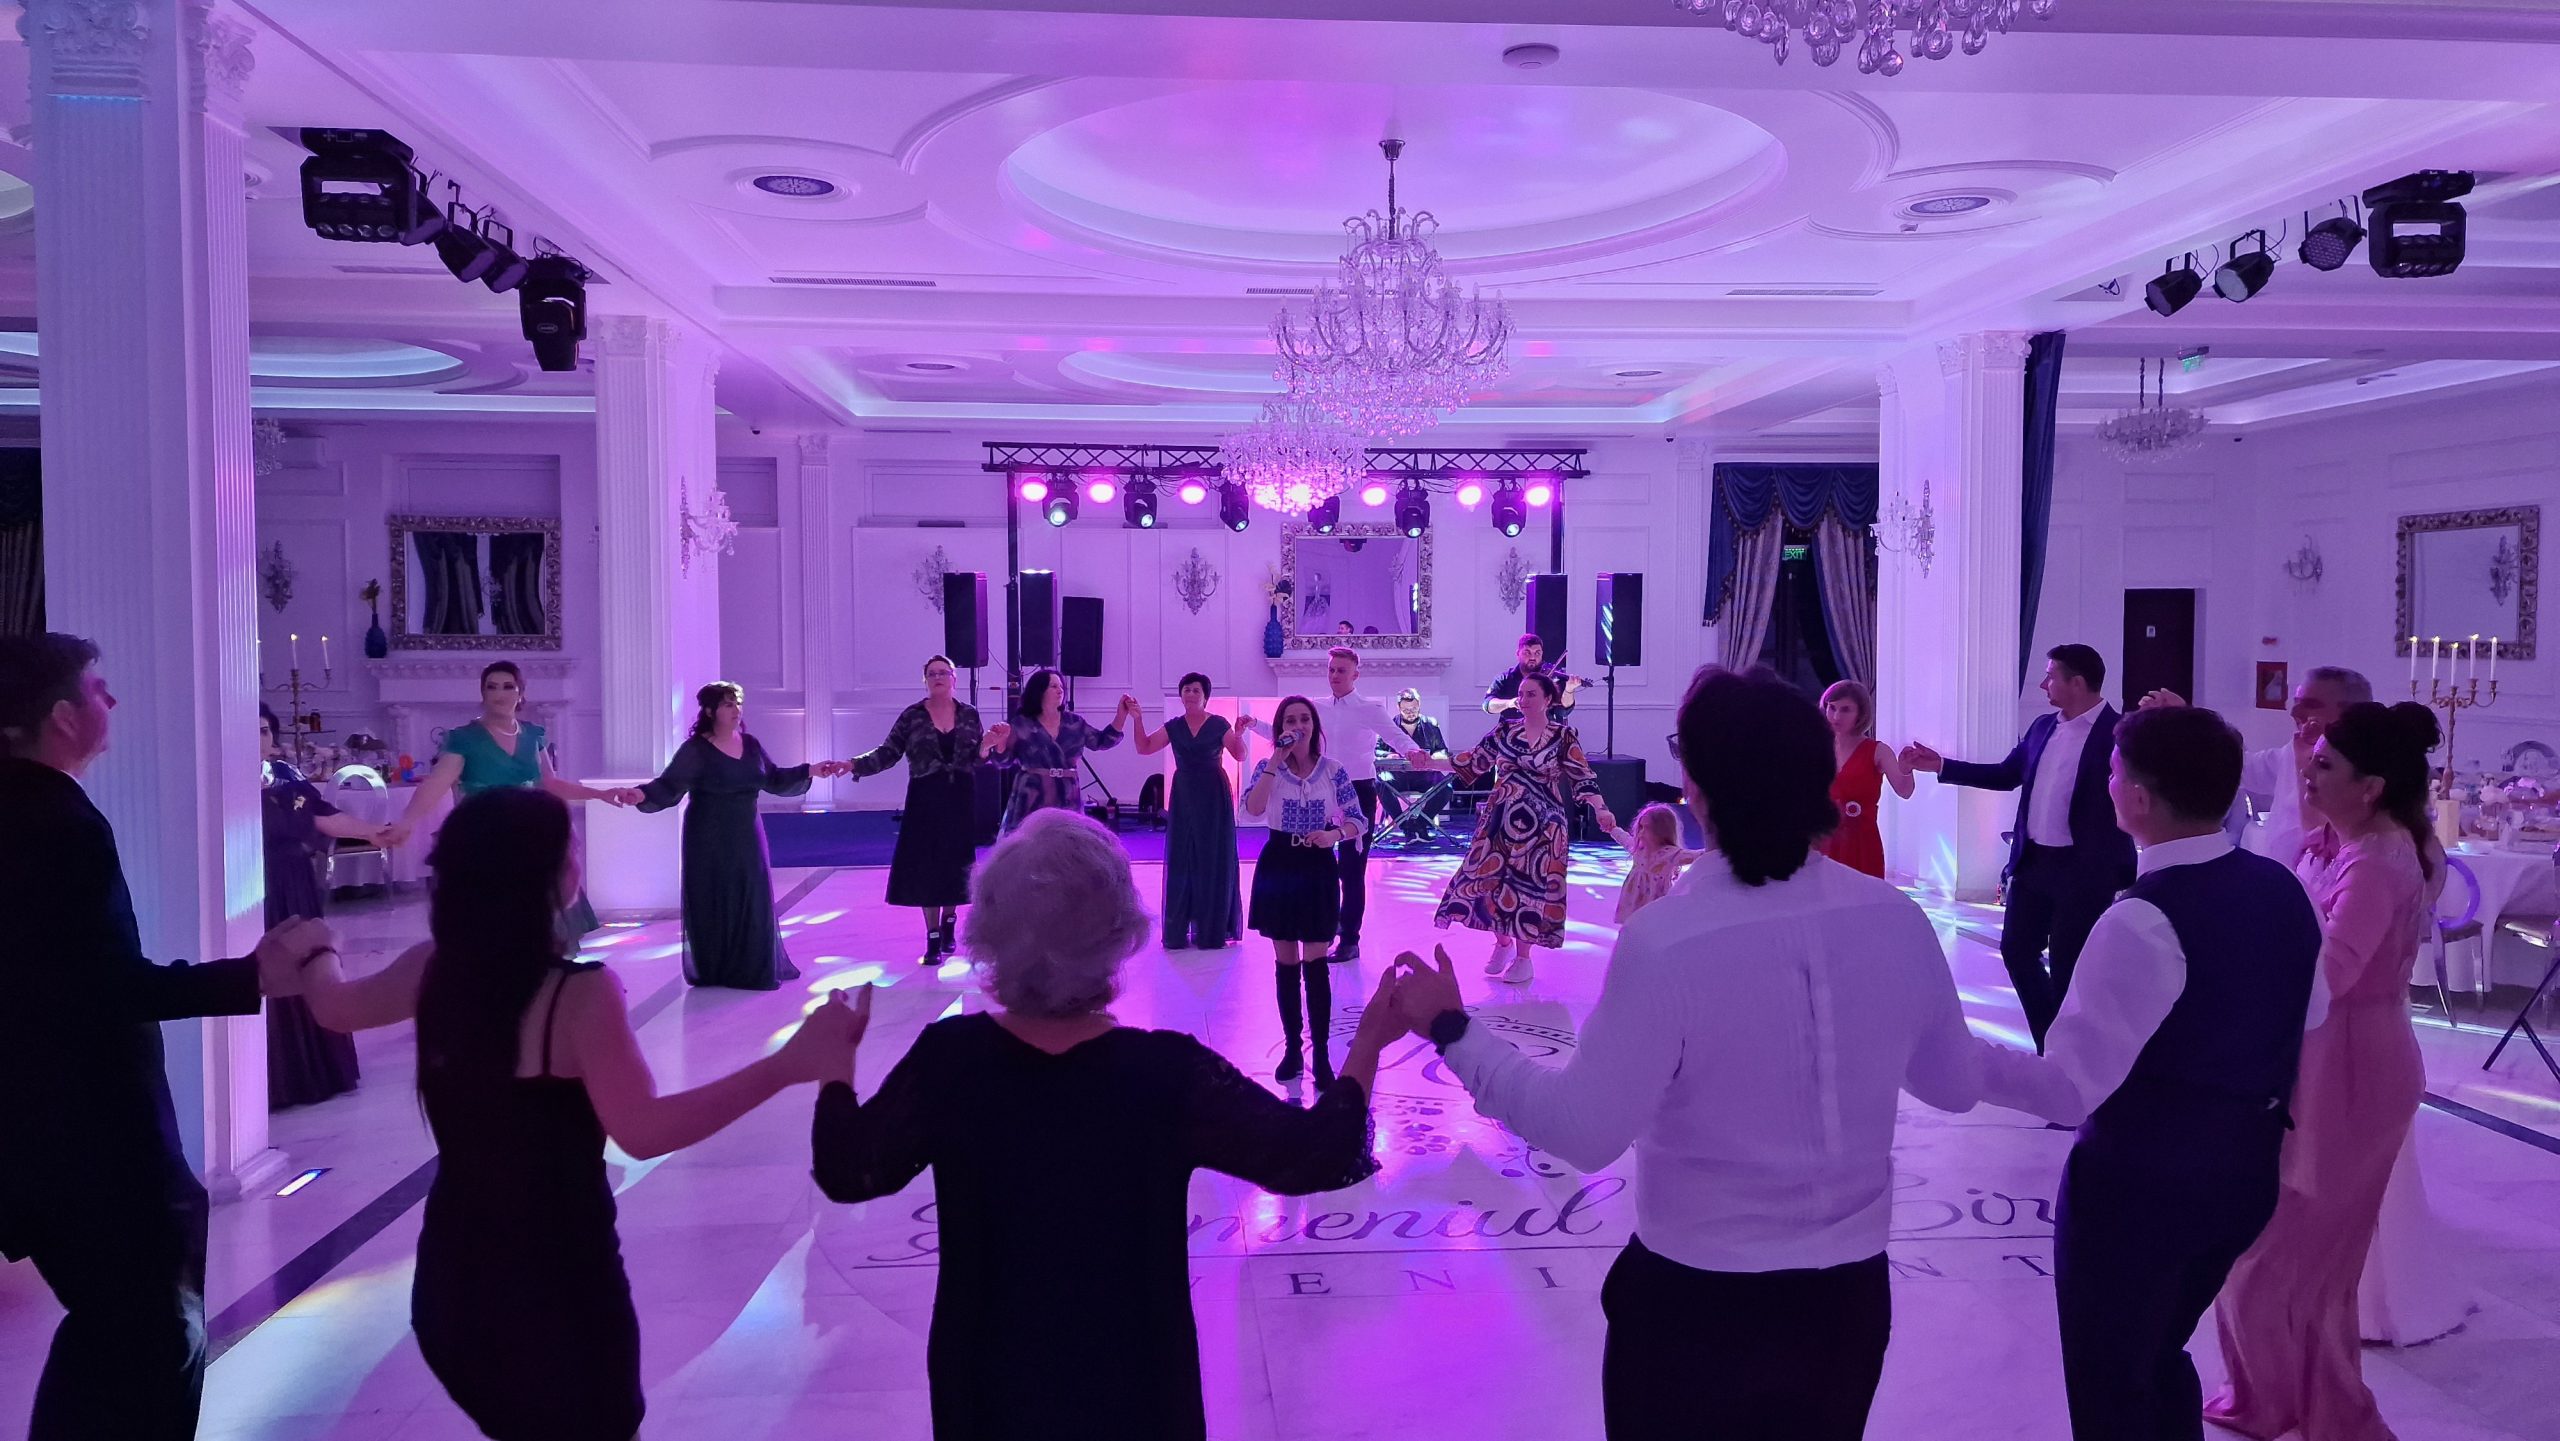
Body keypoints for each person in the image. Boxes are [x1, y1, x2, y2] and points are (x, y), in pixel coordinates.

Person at [1388, 664, 1982, 1441]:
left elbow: (1583, 1128)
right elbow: (1954, 1081)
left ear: (1697, 790)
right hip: (1847, 1303)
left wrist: (1455, 1030)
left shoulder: (1667, 940)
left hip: (1697, 1304)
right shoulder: (1895, 917)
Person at [809, 808, 1398, 1441]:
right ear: (1119, 931)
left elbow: (851, 1169)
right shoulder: (1165, 1074)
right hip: (1136, 1378)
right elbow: (1317, 1154)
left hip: (988, 1376)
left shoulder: (951, 1061)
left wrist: (835, 1065)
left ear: (990, 926)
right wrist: (1369, 1040)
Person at [297, 786, 858, 1441]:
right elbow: (643, 1130)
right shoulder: (578, 996)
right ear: (541, 878)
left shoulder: (434, 970)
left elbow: (334, 1007)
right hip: (557, 1292)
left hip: (451, 1288)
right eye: (571, 850)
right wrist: (788, 1064)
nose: (579, 860)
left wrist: (316, 950)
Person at [0, 632, 331, 1440]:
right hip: (94, 1137)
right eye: (97, 688)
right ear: (62, 717)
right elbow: (102, 988)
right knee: (153, 1334)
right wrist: (251, 975)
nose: (111, 700)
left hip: (40, 1130)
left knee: (111, 1331)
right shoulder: (57, 823)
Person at [1967, 704, 2323, 1441]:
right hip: (2245, 1172)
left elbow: (2069, 1089)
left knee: (2111, 1381)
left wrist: (1958, 1058)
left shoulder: (2140, 918)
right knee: (2157, 1354)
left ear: (2134, 796)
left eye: (2111, 772)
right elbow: (2311, 1014)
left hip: (2141, 1188)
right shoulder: (2281, 887)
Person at [2207, 701, 2441, 1441]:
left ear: (2370, 787)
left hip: (2353, 1067)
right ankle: (2280, 1397)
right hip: (2332, 1054)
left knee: (2287, 1257)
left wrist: (2233, 966)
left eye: (2326, 763)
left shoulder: (2374, 862)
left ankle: (2316, 1404)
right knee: (2285, 1254)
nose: (2307, 768)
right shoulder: (2350, 844)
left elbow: (2330, 974)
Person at [1903, 643, 2134, 1050]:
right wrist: (1941, 765)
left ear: (2077, 683)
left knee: (2067, 967)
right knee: (2016, 951)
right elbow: (2007, 774)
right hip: (2034, 863)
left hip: (2084, 870)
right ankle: (2052, 1044)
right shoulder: (2043, 727)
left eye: (2051, 676)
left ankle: (2074, 1057)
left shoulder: (2118, 734)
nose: (2044, 684)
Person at [384, 659, 628, 944]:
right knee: (493, 921)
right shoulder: (465, 738)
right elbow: (436, 783)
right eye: (492, 687)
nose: (500, 693)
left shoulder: (533, 735)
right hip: (484, 834)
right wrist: (407, 821)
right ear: (482, 693)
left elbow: (550, 783)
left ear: (520, 693)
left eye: (508, 686)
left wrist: (599, 794)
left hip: (530, 833)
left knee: (539, 921)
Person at [607, 683, 823, 991]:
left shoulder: (750, 744)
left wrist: (811, 770)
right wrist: (640, 794)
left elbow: (774, 778)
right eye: (728, 705)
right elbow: (668, 786)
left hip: (746, 831)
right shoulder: (696, 750)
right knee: (713, 895)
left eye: (737, 704)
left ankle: (752, 967)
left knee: (751, 893)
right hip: (707, 835)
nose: (736, 710)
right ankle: (717, 967)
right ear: (710, 711)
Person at [1408, 670, 1615, 984]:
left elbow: (1582, 776)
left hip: (1544, 826)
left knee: (1529, 889)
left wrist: (1600, 808)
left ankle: (1523, 957)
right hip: (1500, 820)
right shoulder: (1504, 731)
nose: (1524, 699)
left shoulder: (1563, 736)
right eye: (1521, 694)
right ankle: (1502, 943)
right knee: (1486, 880)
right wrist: (1430, 762)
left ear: (1548, 700)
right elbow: (1472, 761)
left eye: (1531, 694)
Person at [260, 703, 386, 1108]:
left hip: (294, 884)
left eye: (264, 730)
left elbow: (325, 816)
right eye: (250, 730)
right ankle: (271, 1082)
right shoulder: (223, 779)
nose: (258, 738)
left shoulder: (286, 776)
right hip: (254, 886)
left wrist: (375, 833)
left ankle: (315, 1072)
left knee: (307, 967)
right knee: (269, 972)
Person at [840, 655, 1002, 963]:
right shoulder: (912, 715)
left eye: (943, 672)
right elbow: (888, 752)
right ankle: (933, 936)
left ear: (953, 679)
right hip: (925, 798)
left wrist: (986, 746)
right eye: (932, 674)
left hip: (960, 798)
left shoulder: (969, 714)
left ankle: (950, 922)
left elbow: (977, 759)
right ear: (925, 680)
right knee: (929, 866)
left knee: (956, 863)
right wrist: (854, 765)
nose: (938, 677)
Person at [1243, 646, 1394, 962]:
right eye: (1331, 670)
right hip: (1319, 788)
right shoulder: (1316, 709)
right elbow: (1286, 733)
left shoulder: (1370, 709)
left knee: (1352, 871)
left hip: (1358, 789)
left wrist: (1418, 754)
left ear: (1355, 674)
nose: (1335, 675)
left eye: (1341, 670)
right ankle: (1324, 924)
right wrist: (1254, 723)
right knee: (1318, 862)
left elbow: (1396, 736)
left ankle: (1349, 938)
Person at [1242, 695, 1362, 1086]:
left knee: (1316, 962)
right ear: (1279, 728)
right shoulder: (1267, 767)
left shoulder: (1334, 770)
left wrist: (1334, 834)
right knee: (1286, 963)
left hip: (1317, 866)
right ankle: (1293, 1049)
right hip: (1279, 863)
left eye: (1304, 719)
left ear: (1315, 725)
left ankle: (1322, 1054)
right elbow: (1253, 809)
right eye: (1290, 720)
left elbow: (1359, 819)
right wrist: (1274, 762)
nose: (1298, 726)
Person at [2140, 666, 2372, 868]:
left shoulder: (2368, 768)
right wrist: (2184, 719)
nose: (2295, 713)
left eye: (2311, 705)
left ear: (2349, 712)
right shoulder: (2292, 752)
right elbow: (2236, 767)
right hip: (2285, 882)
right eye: (2296, 703)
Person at [1129, 672, 1245, 951]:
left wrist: (1239, 734)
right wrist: (1137, 719)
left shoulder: (1218, 724)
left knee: (1213, 854)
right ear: (1181, 695)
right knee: (1182, 855)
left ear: (1205, 697)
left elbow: (1239, 754)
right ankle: (1179, 929)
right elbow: (1144, 747)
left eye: (1196, 690)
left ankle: (1212, 929)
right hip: (1184, 794)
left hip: (1214, 793)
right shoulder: (1174, 726)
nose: (1190, 694)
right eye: (1186, 690)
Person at [986, 668, 1129, 834]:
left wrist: (1121, 715)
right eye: (1053, 686)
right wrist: (1000, 742)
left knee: (1068, 841)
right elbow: (1002, 762)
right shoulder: (1021, 724)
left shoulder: (1075, 723)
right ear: (1039, 691)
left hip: (1067, 795)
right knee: (1030, 842)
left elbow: (1102, 741)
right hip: (1032, 795)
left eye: (1061, 686)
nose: (1060, 690)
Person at [1817, 680, 1912, 878]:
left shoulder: (1878, 751)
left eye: (1845, 710)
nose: (1836, 716)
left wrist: (1906, 768)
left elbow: (1904, 791)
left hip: (1861, 842)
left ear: (1861, 714)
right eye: (1832, 708)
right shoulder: (1818, 747)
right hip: (1823, 837)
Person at [1607, 802, 1702, 923]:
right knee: (1632, 924)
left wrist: (1719, 846)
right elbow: (1624, 838)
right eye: (1640, 827)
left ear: (1661, 831)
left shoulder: (1671, 854)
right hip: (1633, 902)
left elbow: (1698, 855)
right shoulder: (1639, 849)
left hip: (1655, 903)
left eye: (1647, 828)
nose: (1641, 832)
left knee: (1652, 925)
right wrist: (1612, 829)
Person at [1377, 687, 1451, 836]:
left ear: (1419, 705)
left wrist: (1435, 756)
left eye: (1414, 709)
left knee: (1446, 788)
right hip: (1398, 776)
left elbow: (1443, 750)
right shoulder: (1391, 725)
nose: (1410, 713)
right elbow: (1376, 750)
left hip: (1424, 775)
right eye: (1406, 710)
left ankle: (1420, 823)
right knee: (1380, 785)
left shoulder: (1430, 724)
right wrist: (1389, 756)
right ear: (1398, 707)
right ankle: (1403, 823)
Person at [1483, 631, 1580, 724]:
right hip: (1512, 732)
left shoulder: (1551, 680)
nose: (1532, 657)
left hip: (1543, 732)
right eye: (1527, 653)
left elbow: (1564, 711)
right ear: (1518, 654)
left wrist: (1569, 690)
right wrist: (1509, 703)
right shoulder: (1504, 679)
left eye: (1537, 653)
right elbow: (1487, 706)